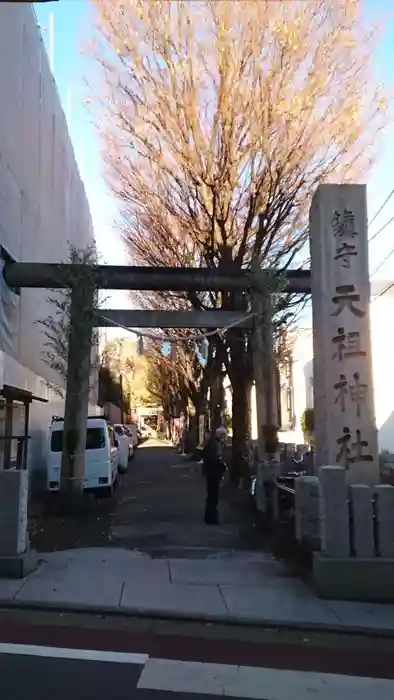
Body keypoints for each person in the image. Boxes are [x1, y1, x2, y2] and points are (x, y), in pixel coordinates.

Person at [202, 427, 227, 525]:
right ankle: (212, 518)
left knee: (211, 495)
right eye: (224, 436)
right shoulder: (216, 445)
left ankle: (208, 516)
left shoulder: (211, 442)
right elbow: (217, 459)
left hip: (209, 472)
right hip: (214, 473)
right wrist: (223, 467)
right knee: (213, 496)